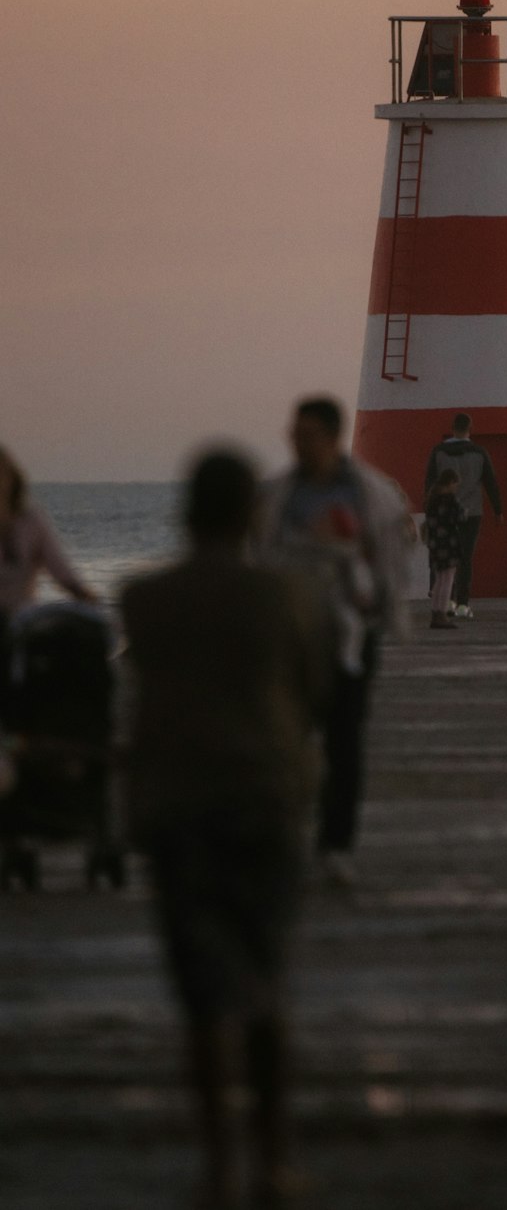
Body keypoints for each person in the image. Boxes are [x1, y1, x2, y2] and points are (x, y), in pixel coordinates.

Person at [121, 448, 324, 1210]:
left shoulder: (144, 598)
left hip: (177, 805)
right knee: (265, 980)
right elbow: (314, 691)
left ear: (186, 511)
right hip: (266, 799)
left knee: (202, 997)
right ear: (253, 514)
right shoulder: (291, 596)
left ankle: (217, 1168)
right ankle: (275, 1160)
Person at [257, 396, 412, 887]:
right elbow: (260, 554)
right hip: (289, 635)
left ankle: (336, 846)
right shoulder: (276, 494)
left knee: (345, 743)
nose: (295, 443)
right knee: (285, 742)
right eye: (293, 434)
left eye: (305, 435)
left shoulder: (371, 493)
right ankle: (284, 840)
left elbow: (392, 554)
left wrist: (389, 612)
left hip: (350, 632)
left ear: (331, 436)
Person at [0, 446, 99, 715]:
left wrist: (84, 595)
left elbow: (61, 571)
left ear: (12, 480)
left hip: (23, 624)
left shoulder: (30, 521)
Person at [423, 413, 502, 619]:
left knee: (442, 555)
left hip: (442, 512)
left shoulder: (439, 451)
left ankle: (445, 601)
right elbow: (491, 483)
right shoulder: (479, 453)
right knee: (465, 558)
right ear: (470, 428)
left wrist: (429, 508)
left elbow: (430, 482)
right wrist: (498, 510)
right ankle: (463, 605)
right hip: (472, 513)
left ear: (452, 427)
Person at [423, 468, 464, 629]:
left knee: (439, 579)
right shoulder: (449, 499)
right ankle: (442, 613)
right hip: (449, 543)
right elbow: (459, 517)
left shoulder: (432, 499)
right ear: (451, 482)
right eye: (456, 484)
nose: (456, 488)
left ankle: (435, 612)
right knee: (448, 579)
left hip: (435, 544)